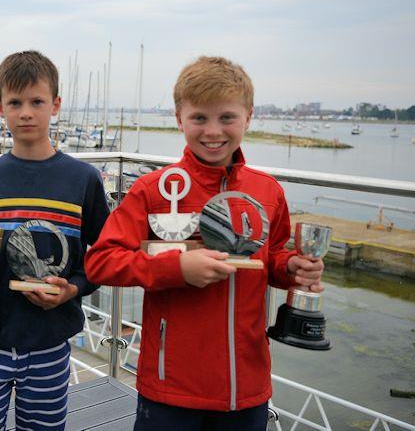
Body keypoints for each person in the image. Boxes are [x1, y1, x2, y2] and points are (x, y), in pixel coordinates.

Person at [84, 57, 325, 431]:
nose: (213, 131)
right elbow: (100, 262)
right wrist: (176, 269)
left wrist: (292, 268)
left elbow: (274, 257)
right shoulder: (153, 190)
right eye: (199, 118)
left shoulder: (269, 192)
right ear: (179, 118)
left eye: (227, 117)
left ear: (249, 116)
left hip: (246, 387)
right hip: (170, 388)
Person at [0, 51, 110, 430]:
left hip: (49, 339)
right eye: (15, 102)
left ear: (55, 105)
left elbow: (106, 256)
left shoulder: (83, 179)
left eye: (37, 102)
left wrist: (72, 289)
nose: (26, 112)